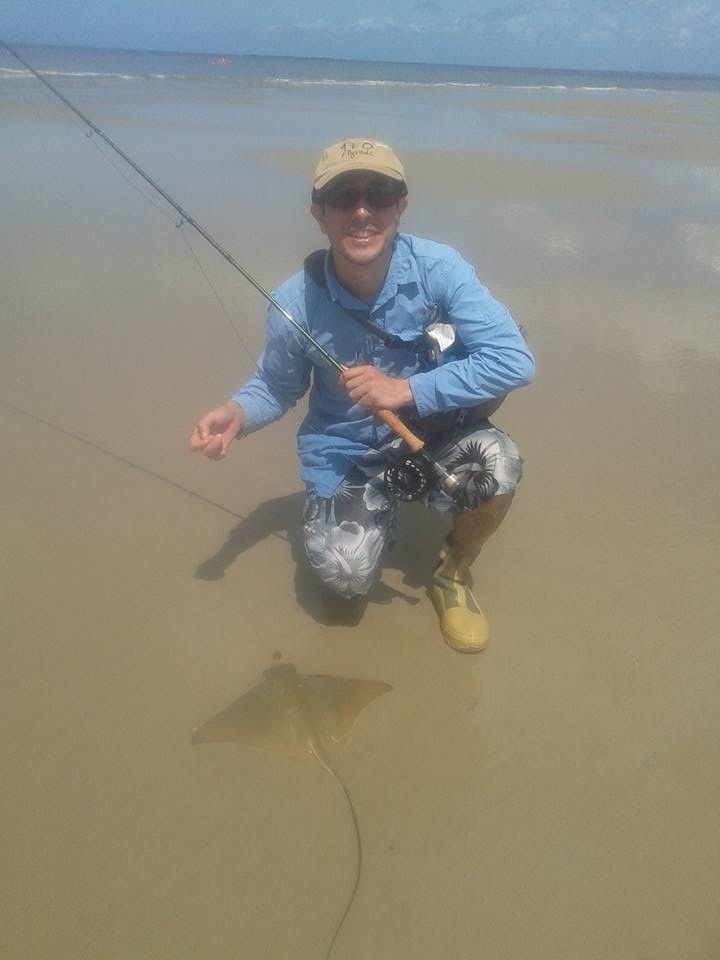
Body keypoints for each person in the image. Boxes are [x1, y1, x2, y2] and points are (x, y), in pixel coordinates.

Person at [189, 138, 534, 653]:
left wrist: (407, 389)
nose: (362, 210)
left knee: (499, 464)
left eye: (379, 193)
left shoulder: (440, 269)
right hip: (345, 451)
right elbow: (276, 385)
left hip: (429, 432)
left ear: (401, 205)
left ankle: (452, 574)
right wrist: (238, 413)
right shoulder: (293, 302)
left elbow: (514, 360)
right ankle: (377, 519)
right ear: (319, 214)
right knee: (344, 577)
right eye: (343, 197)